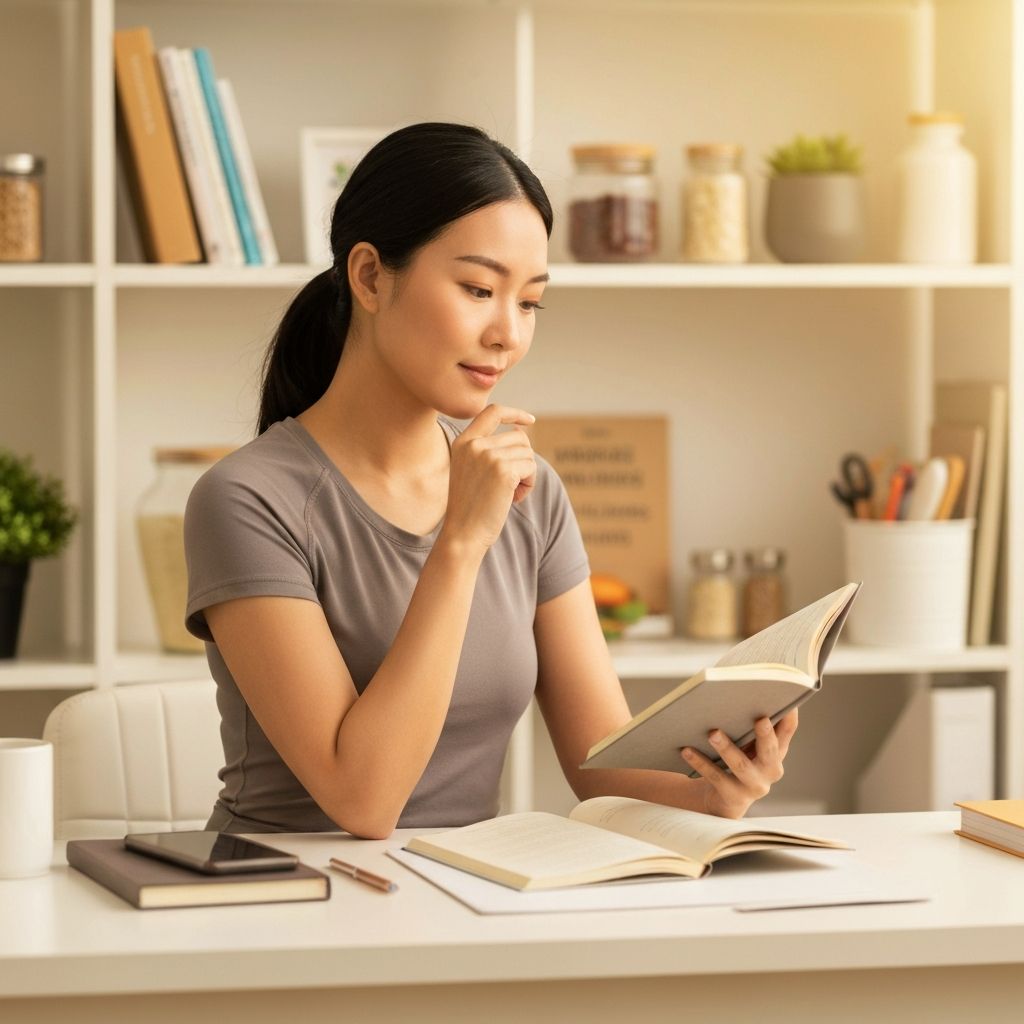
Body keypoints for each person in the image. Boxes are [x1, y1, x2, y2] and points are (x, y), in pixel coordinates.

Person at [183, 121, 797, 838]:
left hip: (465, 899)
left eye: (530, 301)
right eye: (479, 289)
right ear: (370, 276)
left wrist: (713, 793)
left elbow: (599, 762)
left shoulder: (533, 493)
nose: (509, 332)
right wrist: (462, 539)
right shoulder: (246, 501)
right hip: (286, 899)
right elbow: (363, 801)